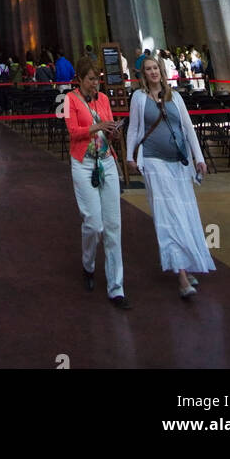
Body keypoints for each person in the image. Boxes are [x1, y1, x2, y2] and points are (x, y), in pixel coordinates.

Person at [126, 54, 214, 299]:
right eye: (148, 69)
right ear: (143, 74)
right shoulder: (138, 98)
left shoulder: (175, 96)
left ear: (161, 71)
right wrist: (130, 157)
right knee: (168, 214)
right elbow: (133, 128)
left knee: (185, 213)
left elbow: (187, 128)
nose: (153, 72)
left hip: (178, 161)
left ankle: (186, 262)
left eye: (156, 68)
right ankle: (182, 275)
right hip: (154, 161)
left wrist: (199, 158)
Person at [65, 57, 129, 308]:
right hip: (84, 164)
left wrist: (114, 131)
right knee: (93, 224)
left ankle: (117, 287)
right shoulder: (69, 100)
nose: (95, 83)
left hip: (107, 161)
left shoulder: (102, 99)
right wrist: (98, 125)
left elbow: (109, 129)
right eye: (91, 79)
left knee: (113, 225)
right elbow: (73, 132)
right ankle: (88, 264)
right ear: (80, 79)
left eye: (97, 78)